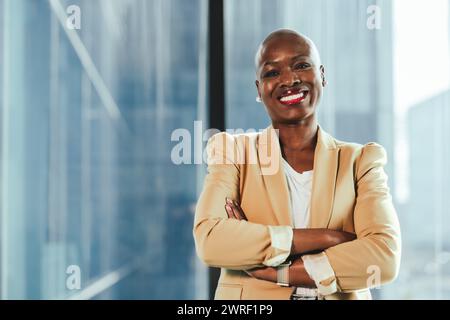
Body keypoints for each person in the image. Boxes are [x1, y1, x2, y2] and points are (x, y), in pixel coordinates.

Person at [193, 29, 401, 300]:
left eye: (301, 65)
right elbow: (211, 241)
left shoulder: (360, 161)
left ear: (322, 75)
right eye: (271, 72)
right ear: (259, 88)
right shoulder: (233, 152)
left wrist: (277, 271)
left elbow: (384, 258)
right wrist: (327, 238)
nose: (289, 79)